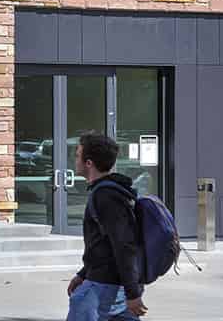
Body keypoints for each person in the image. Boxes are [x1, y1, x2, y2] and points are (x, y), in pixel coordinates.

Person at [66, 132, 149, 321]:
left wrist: (133, 293)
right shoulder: (110, 191)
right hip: (109, 284)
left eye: (78, 155)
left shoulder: (106, 196)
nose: (75, 160)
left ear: (89, 163)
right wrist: (83, 274)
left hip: (103, 288)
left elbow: (123, 245)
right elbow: (104, 245)